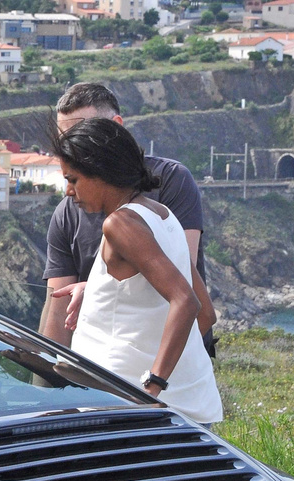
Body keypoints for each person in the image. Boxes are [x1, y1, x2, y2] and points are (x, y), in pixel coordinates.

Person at [52, 117, 223, 424]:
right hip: (188, 407)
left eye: (73, 179)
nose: (68, 191)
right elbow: (205, 314)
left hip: (125, 408)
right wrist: (173, 373)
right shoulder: (164, 217)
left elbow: (186, 302)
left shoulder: (120, 224)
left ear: (101, 173)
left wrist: (152, 388)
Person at [40, 83, 218, 357]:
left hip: (167, 355)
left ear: (117, 127)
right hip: (106, 363)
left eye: (83, 133)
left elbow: (182, 274)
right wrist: (46, 379)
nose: (73, 148)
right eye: (66, 139)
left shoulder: (171, 180)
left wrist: (161, 379)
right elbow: (58, 308)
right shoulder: (66, 212)